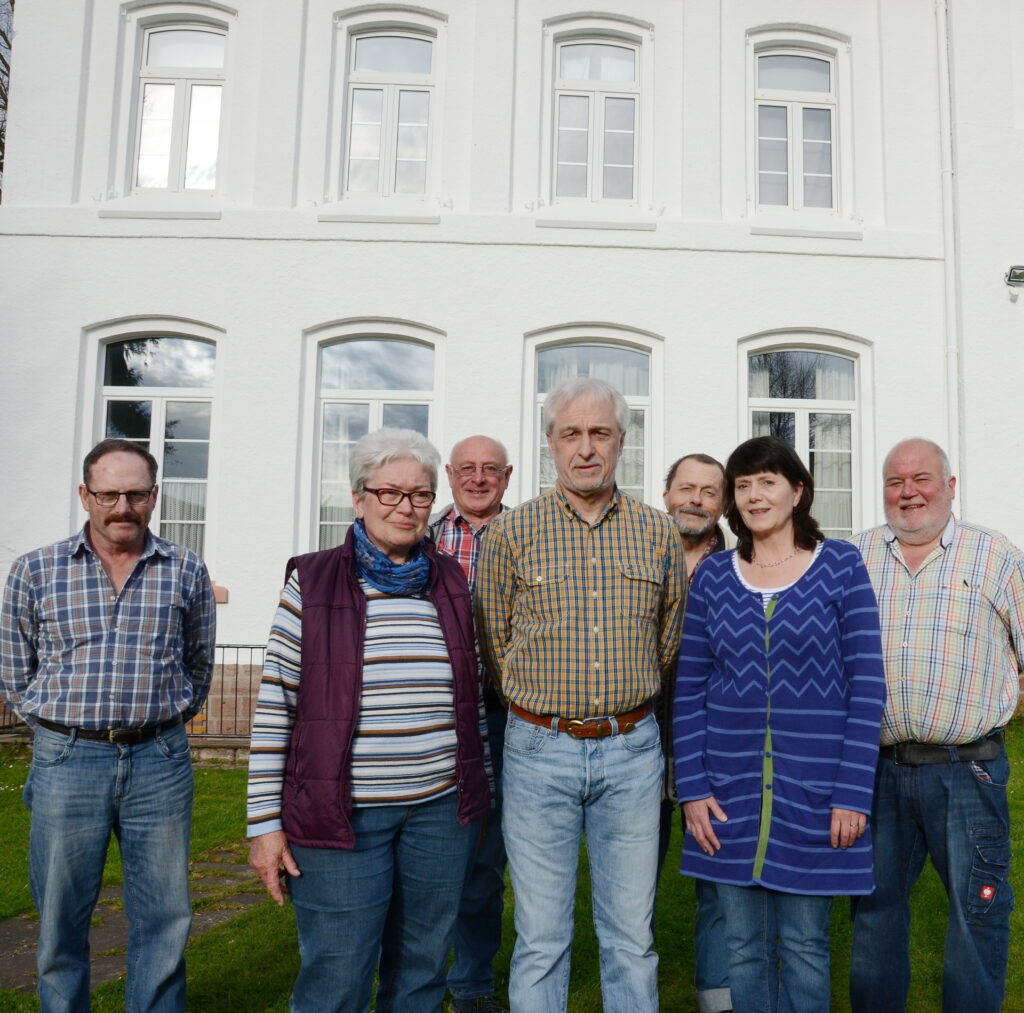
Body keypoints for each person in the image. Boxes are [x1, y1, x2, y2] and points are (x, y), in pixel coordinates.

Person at [246, 427, 491, 1013]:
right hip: (341, 817)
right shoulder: (313, 579)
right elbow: (275, 703)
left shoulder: (450, 582)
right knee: (338, 972)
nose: (405, 508)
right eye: (389, 493)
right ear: (359, 499)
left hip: (439, 812)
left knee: (422, 969)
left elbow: (471, 698)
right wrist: (263, 823)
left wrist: (479, 792)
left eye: (421, 495)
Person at [475, 377, 686, 1012]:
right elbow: (493, 640)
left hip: (632, 749)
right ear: (550, 443)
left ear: (623, 441)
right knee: (541, 938)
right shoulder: (510, 536)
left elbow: (667, 638)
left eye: (600, 433)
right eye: (572, 434)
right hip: (539, 748)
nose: (586, 448)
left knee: (631, 937)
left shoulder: (657, 533)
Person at [0, 437, 216, 1013]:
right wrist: (56, 730)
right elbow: (14, 671)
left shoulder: (185, 569)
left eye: (136, 494)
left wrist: (161, 722)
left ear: (154, 497)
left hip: (159, 762)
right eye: (109, 494)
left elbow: (199, 666)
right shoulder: (35, 570)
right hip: (68, 759)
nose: (123, 507)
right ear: (85, 495)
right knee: (61, 920)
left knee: (165, 917)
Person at [674, 435, 886, 1013]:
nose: (753, 495)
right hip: (728, 796)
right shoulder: (715, 576)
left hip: (815, 795)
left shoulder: (840, 566)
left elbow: (867, 686)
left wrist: (851, 794)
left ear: (797, 491)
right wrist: (692, 788)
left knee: (806, 945)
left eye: (767, 482)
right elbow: (690, 688)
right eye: (742, 486)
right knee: (741, 946)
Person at [848, 438, 1023, 1013]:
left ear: (950, 486)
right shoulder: (857, 556)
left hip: (966, 770)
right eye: (895, 481)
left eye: (921, 478)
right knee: (874, 916)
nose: (908, 492)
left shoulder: (993, 554)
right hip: (877, 772)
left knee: (977, 913)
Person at [428, 435, 513, 1013]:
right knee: (429, 853)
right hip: (436, 716)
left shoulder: (532, 534)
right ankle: (417, 978)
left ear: (507, 476)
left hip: (510, 717)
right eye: (467, 469)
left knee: (486, 859)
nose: (478, 479)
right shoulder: (421, 534)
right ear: (450, 474)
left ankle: (473, 983)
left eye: (490, 470)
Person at [659, 453, 732, 1013]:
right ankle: (632, 990)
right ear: (666, 494)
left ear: (724, 504)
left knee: (719, 886)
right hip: (639, 744)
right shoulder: (635, 556)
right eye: (687, 488)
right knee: (631, 886)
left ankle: (718, 999)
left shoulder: (739, 568)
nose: (696, 500)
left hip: (713, 749)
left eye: (710, 492)